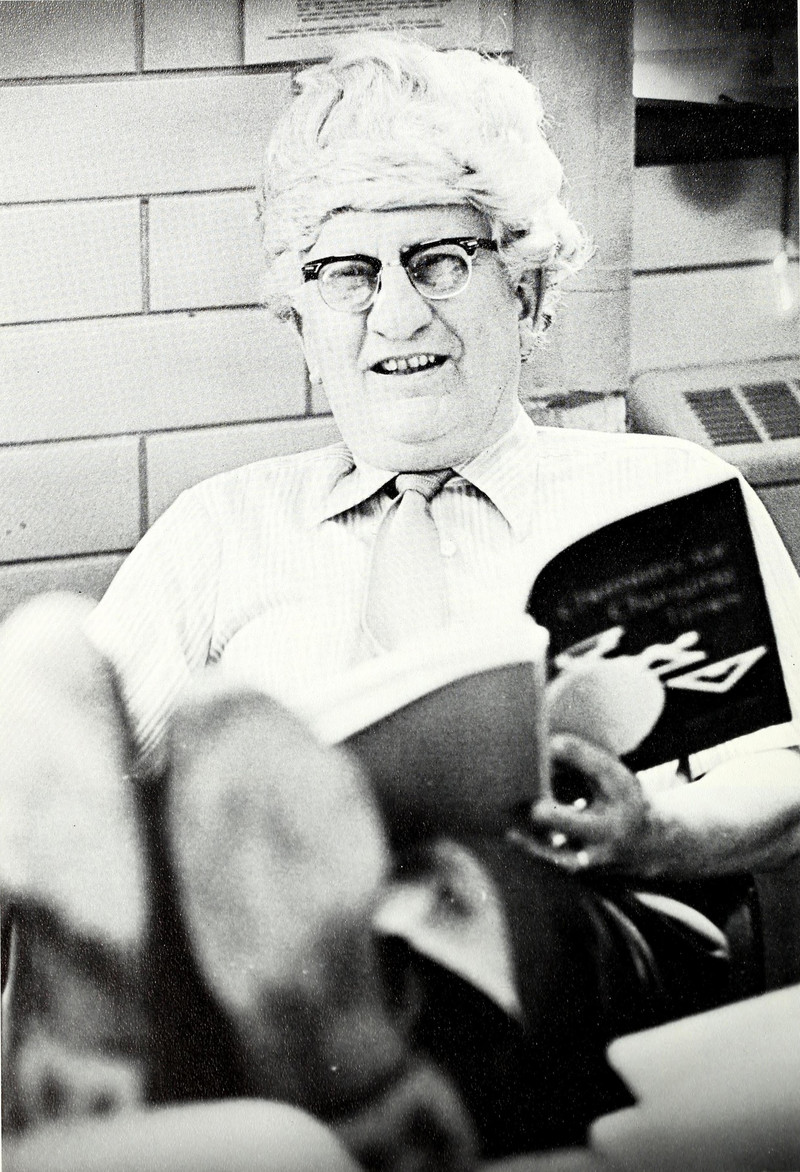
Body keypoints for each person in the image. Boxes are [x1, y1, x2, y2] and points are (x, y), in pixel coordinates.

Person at [3, 31, 800, 1168]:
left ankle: (321, 1014)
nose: (396, 312)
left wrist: (656, 830)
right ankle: (220, 1012)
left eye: (439, 260)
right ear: (302, 324)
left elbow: (793, 771)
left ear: (527, 290)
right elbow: (78, 796)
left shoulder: (664, 496)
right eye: (347, 272)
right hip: (254, 1009)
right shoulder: (220, 532)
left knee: (483, 876)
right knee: (131, 762)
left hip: (595, 941)